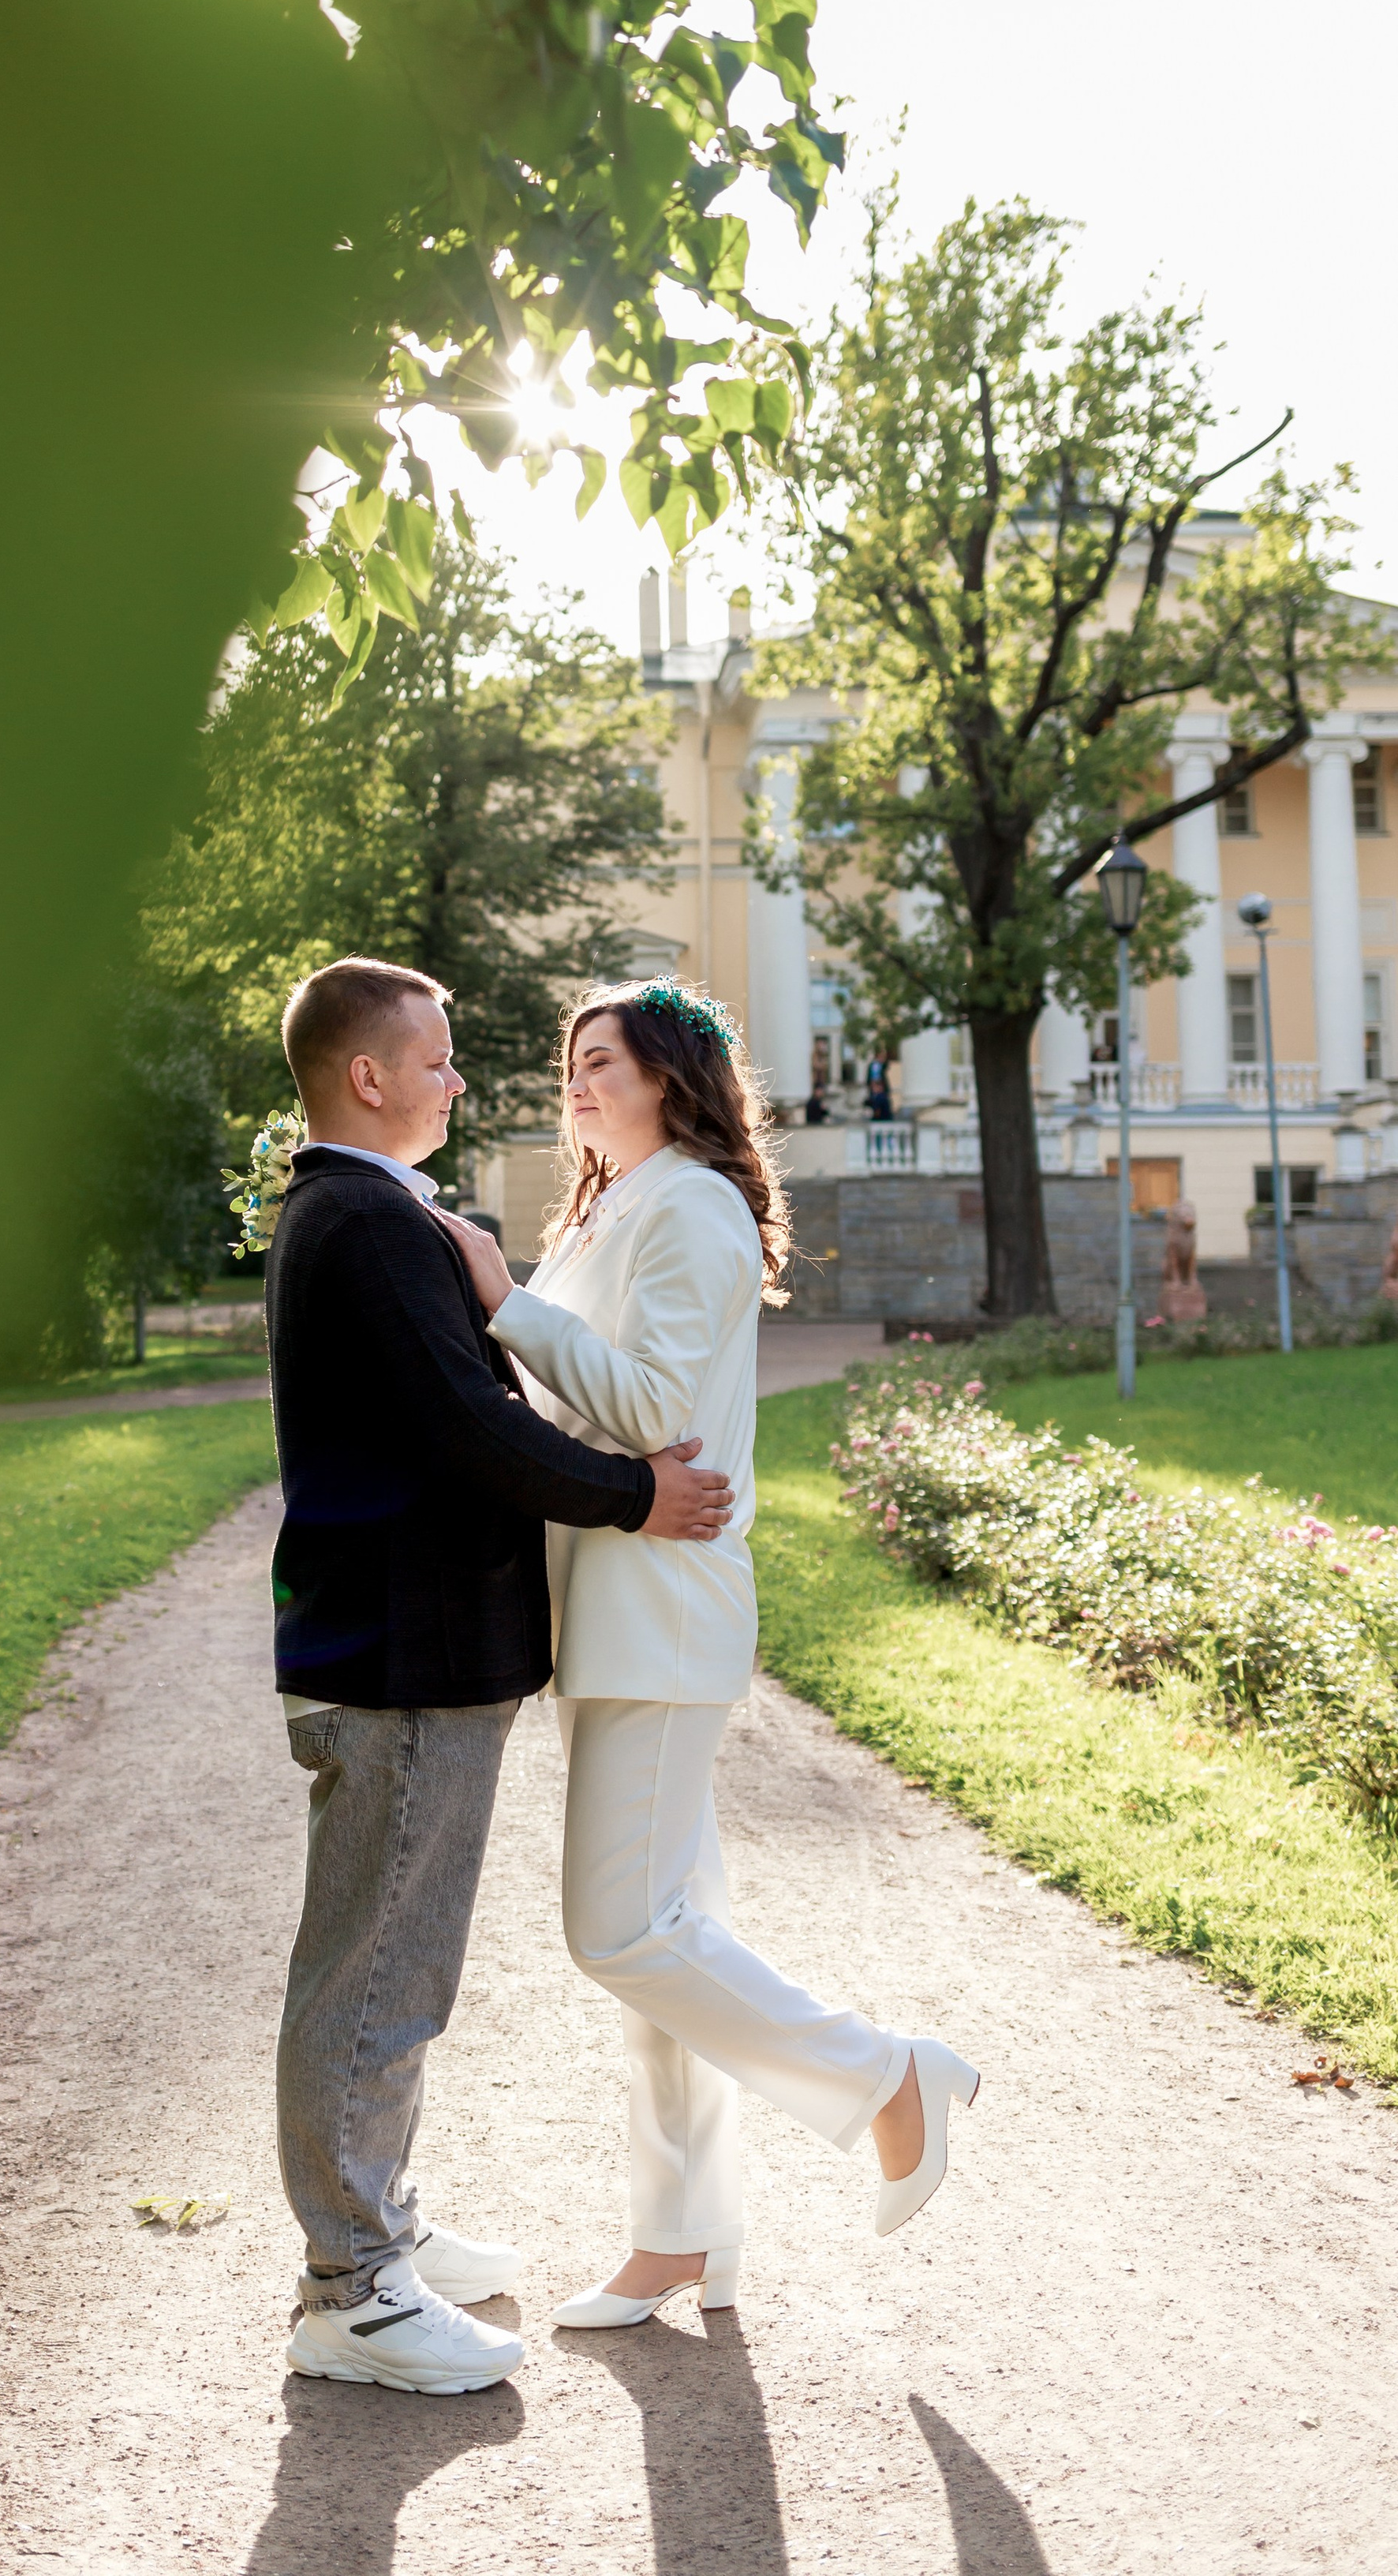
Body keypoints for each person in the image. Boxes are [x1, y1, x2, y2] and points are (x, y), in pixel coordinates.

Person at [433, 977, 978, 2329]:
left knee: (617, 1929)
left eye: (601, 1061)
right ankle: (684, 2234)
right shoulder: (616, 1206)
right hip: (611, 1605)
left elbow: (654, 1410)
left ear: (673, 1079)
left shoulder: (692, 1204)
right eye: (569, 1064)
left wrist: (503, 1297)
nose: (576, 1083)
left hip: (659, 1607)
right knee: (671, 1929)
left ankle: (887, 2078)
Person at [264, 956, 734, 2396]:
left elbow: (473, 1413)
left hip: (418, 1650)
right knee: (378, 1977)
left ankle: (381, 2228)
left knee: (396, 1963)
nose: (461, 1081)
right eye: (442, 1058)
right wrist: (630, 1496)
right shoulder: (368, 1221)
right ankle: (353, 2286)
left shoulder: (371, 1214)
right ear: (369, 1077)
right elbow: (473, 1430)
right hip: (403, 1658)